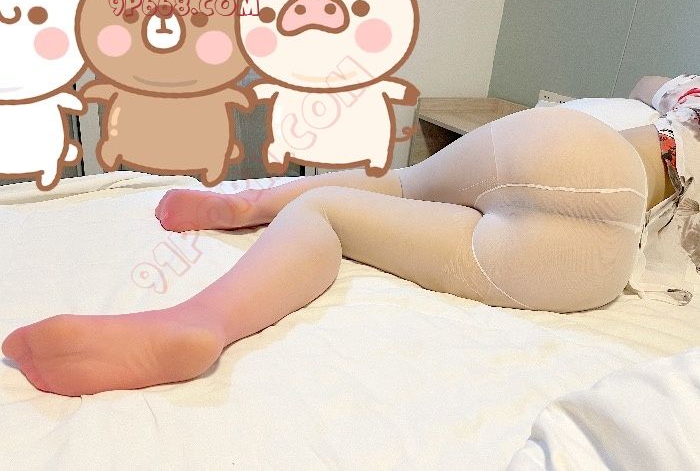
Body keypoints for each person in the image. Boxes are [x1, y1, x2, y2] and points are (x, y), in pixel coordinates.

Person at [2, 76, 698, 397]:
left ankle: (243, 206)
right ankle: (198, 320)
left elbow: (645, 82)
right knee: (340, 211)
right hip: (597, 264)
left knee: (402, 183)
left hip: (580, 147)